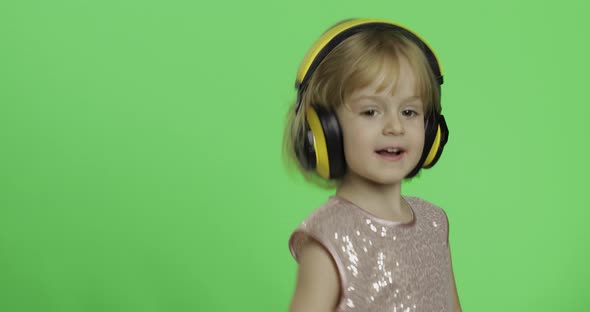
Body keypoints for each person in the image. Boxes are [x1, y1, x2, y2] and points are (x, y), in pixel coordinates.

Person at [282, 18, 462, 311]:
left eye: (409, 111)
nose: (395, 127)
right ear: (326, 131)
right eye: (370, 111)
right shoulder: (329, 239)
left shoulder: (434, 223)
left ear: (432, 130)